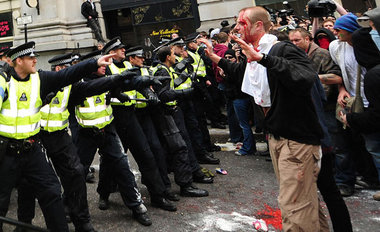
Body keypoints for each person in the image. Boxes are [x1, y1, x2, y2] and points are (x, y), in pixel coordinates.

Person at [0, 41, 114, 232]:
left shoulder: (40, 79)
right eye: (30, 57)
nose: (36, 60)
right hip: (6, 153)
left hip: (32, 150)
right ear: (18, 61)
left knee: (52, 191)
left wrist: (94, 63)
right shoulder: (4, 80)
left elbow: (66, 74)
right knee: (2, 200)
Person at [230, 6, 326, 231]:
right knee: (302, 202)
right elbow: (252, 85)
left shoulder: (279, 48)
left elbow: (307, 77)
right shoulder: (252, 53)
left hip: (296, 140)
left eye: (241, 23)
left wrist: (264, 59)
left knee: (294, 205)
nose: (235, 27)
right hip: (277, 137)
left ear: (258, 25)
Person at [74, 50, 159, 226]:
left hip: (108, 132)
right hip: (86, 135)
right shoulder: (77, 85)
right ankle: (69, 207)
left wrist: (145, 81)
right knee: (77, 173)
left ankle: (137, 207)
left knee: (123, 167)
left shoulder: (108, 79)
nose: (106, 67)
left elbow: (126, 83)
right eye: (102, 64)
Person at [101, 38, 177, 212]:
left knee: (146, 154)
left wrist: (147, 92)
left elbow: (136, 82)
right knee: (111, 160)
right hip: (114, 117)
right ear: (111, 52)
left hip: (130, 115)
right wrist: (119, 93)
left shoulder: (128, 67)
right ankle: (104, 195)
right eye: (120, 49)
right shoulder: (105, 69)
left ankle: (157, 195)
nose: (123, 51)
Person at [289, 28, 353, 232]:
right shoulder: (296, 58)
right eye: (291, 41)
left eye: (297, 40)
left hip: (324, 110)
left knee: (336, 146)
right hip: (311, 123)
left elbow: (337, 78)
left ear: (307, 39)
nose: (294, 43)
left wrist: (313, 79)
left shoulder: (321, 55)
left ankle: (345, 179)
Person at [330, 13, 380, 196]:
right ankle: (357, 179)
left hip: (371, 103)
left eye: (339, 28)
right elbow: (340, 72)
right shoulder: (336, 46)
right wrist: (342, 88)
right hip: (352, 102)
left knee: (374, 148)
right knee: (352, 145)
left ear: (351, 30)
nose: (335, 32)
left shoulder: (367, 47)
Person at [152, 45, 210, 198]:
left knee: (177, 148)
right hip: (166, 114)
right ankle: (185, 185)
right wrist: (185, 93)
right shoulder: (162, 70)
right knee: (180, 147)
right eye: (172, 54)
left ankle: (177, 183)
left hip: (170, 113)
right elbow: (163, 94)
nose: (175, 57)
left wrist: (183, 79)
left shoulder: (166, 69)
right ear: (167, 57)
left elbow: (169, 86)